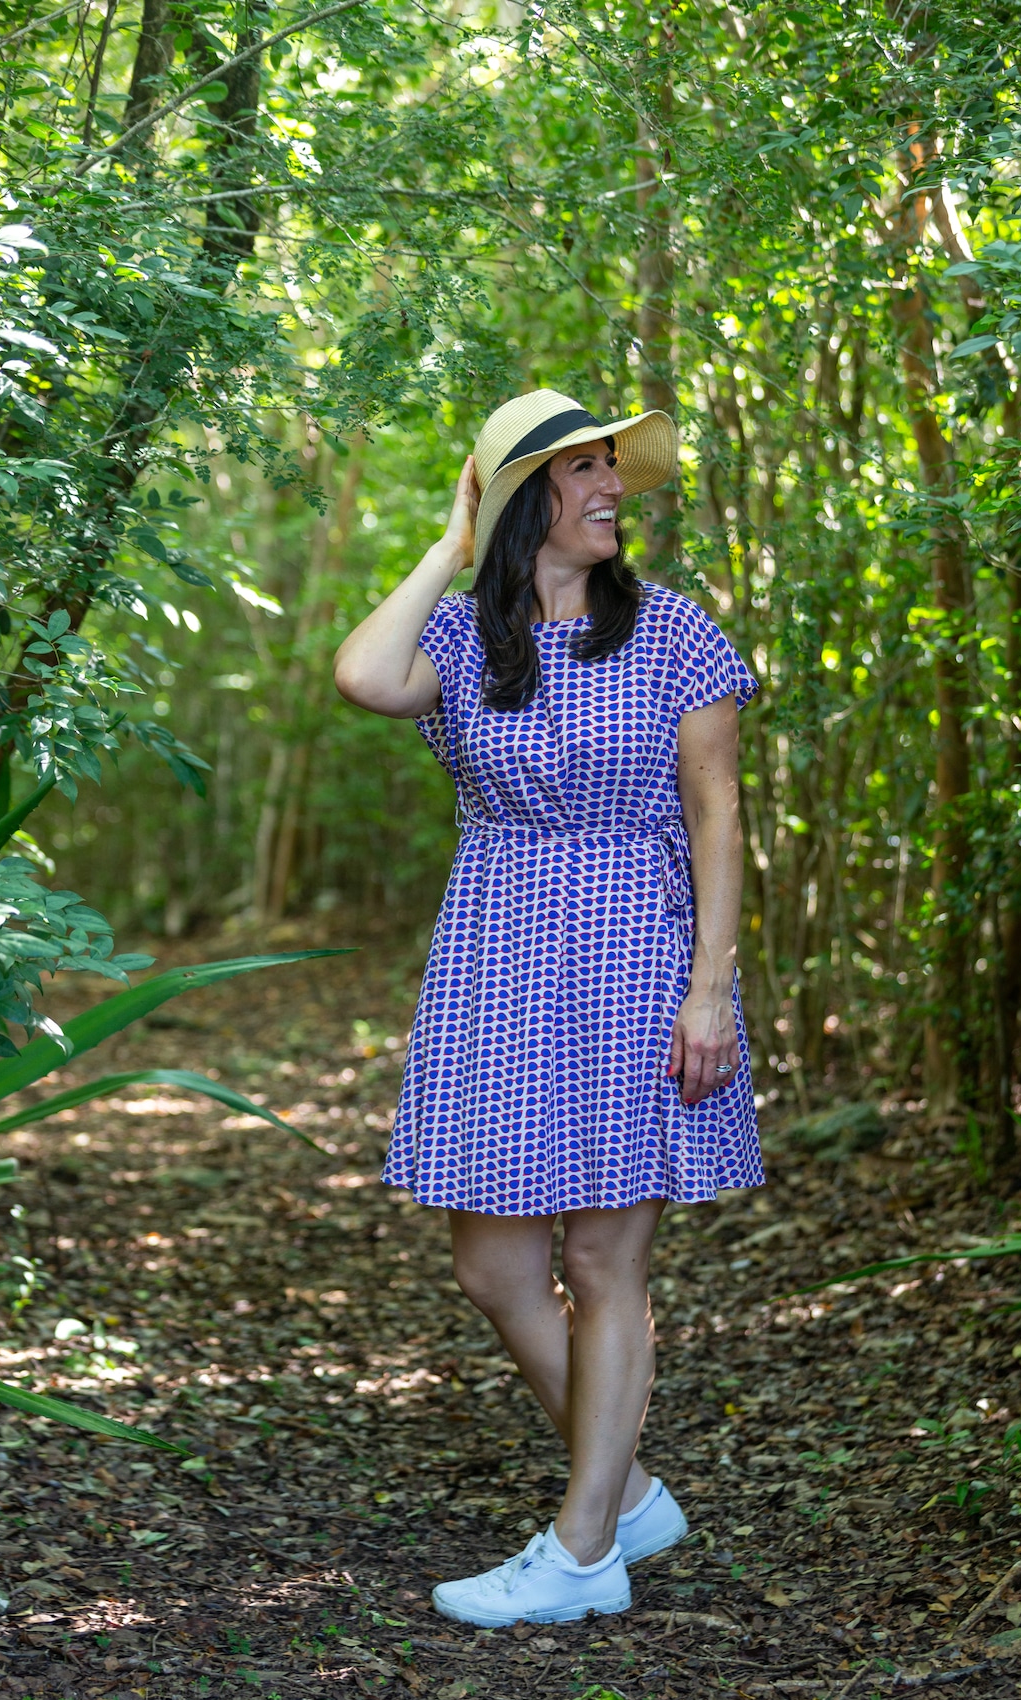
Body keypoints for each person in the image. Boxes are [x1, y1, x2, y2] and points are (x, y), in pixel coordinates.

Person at [333, 388, 765, 1627]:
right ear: (525, 502)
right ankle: (625, 1492)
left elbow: (717, 819)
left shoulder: (677, 634)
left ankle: (582, 1552)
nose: (611, 486)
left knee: (600, 1255)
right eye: (578, 471)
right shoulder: (469, 642)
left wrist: (710, 988)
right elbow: (363, 674)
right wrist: (449, 546)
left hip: (637, 953)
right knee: (493, 1263)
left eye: (611, 466)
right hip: (497, 963)